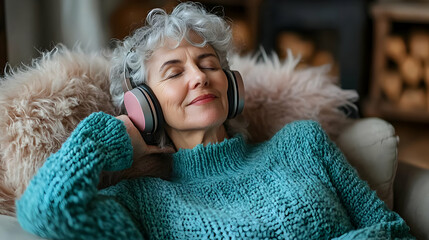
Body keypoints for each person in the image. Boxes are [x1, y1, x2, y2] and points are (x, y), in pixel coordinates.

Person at [16, 2, 414, 239]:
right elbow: (46, 207)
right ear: (143, 105)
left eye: (208, 64)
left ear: (232, 85)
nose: (199, 77)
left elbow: (389, 229)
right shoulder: (142, 202)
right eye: (174, 72)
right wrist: (109, 137)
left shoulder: (302, 144)